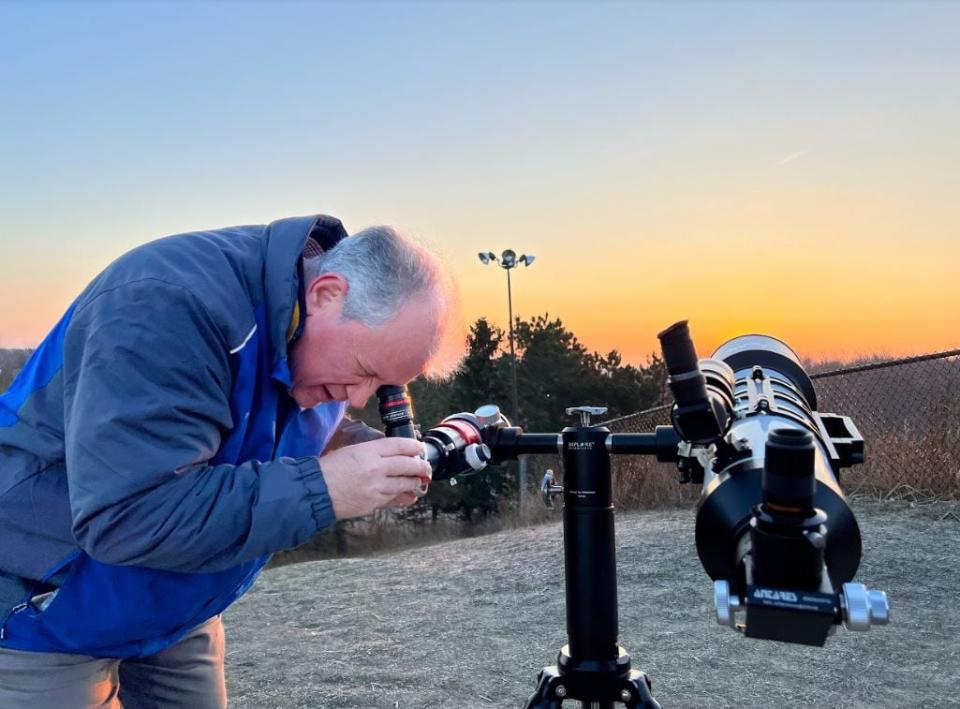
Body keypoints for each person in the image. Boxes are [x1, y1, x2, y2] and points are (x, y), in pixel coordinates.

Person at [0, 214, 462, 708]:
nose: (360, 397)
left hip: (178, 602)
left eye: (384, 384)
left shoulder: (313, 324)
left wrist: (357, 450)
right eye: (365, 371)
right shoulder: (162, 308)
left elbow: (251, 420)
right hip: (47, 605)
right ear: (327, 292)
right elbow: (127, 516)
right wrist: (325, 486)